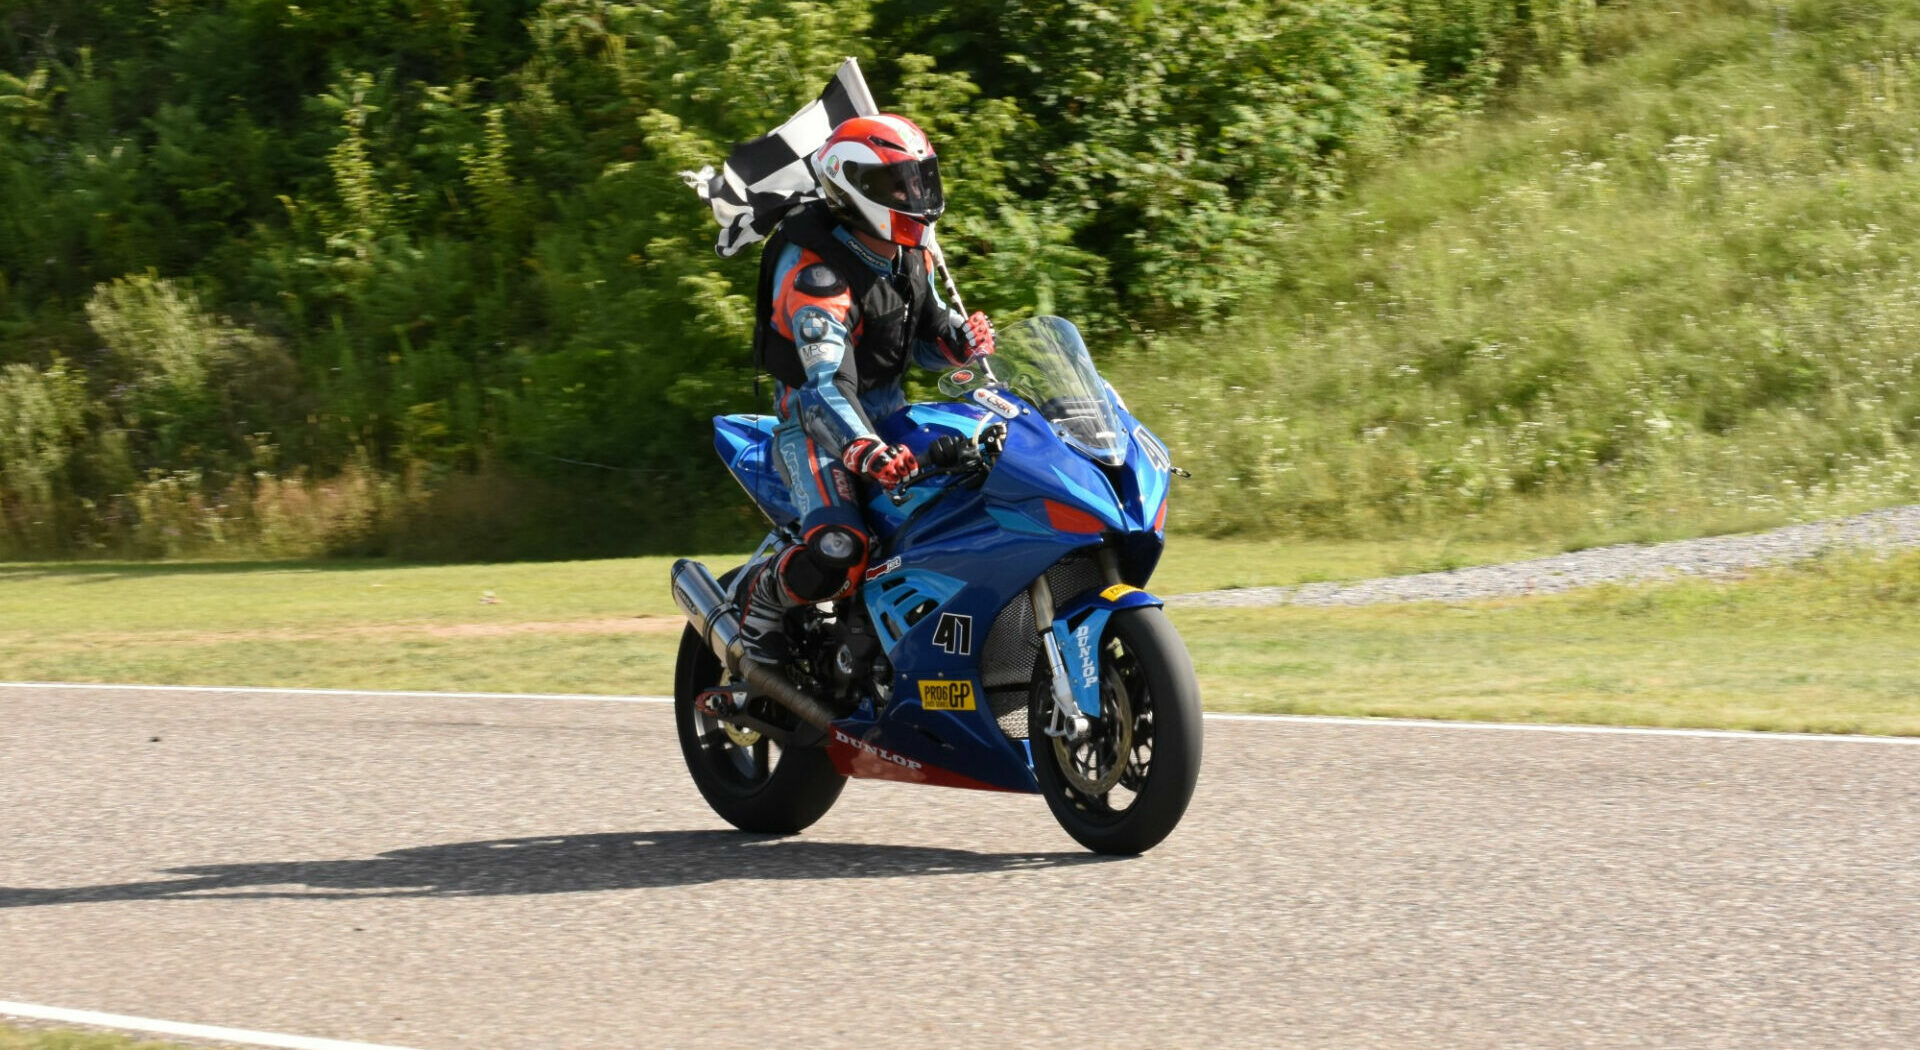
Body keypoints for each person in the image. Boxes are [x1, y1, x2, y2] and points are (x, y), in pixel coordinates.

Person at [733, 113, 995, 666]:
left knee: (967, 503)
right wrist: (866, 450)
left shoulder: (908, 252)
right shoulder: (816, 274)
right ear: (852, 185)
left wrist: (961, 343)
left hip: (890, 420)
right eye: (897, 183)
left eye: (919, 179)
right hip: (816, 433)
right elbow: (824, 386)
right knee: (842, 547)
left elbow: (923, 337)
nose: (914, 194)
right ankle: (760, 610)